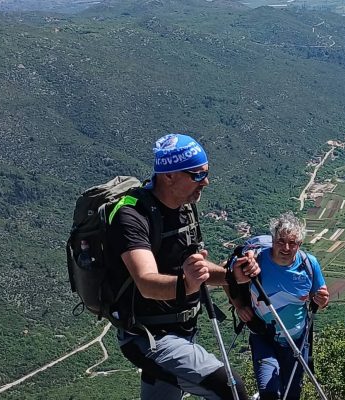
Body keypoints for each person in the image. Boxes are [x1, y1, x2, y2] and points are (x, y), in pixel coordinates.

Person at [105, 133, 259, 400]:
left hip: (183, 329)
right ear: (169, 175)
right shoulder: (132, 215)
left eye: (206, 173)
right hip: (149, 337)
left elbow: (194, 268)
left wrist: (231, 276)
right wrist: (187, 284)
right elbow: (147, 282)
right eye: (198, 175)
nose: (206, 181)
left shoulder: (184, 206)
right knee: (229, 386)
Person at [231, 212, 329, 400]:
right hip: (263, 336)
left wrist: (322, 300)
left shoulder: (309, 264)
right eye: (281, 241)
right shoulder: (256, 261)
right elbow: (228, 277)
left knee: (292, 393)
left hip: (297, 340)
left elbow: (321, 297)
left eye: (292, 243)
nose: (286, 248)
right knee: (270, 393)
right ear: (273, 240)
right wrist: (239, 305)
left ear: (299, 244)